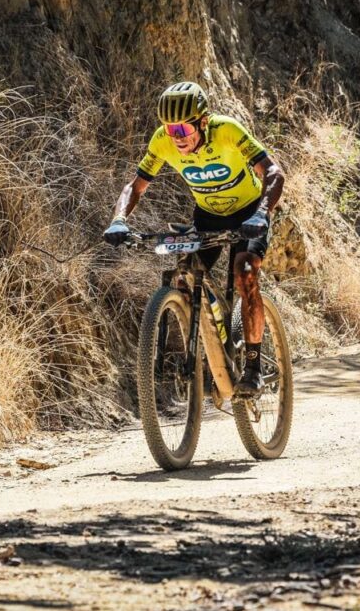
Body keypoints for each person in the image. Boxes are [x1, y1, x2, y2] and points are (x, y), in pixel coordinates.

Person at [102, 81, 285, 398]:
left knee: (245, 274)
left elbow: (273, 173)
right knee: (185, 278)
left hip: (249, 213)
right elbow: (135, 186)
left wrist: (261, 213)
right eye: (170, 129)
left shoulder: (226, 130)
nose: (177, 137)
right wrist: (119, 219)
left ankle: (253, 366)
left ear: (203, 122)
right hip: (208, 216)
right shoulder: (163, 141)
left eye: (183, 129)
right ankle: (209, 348)